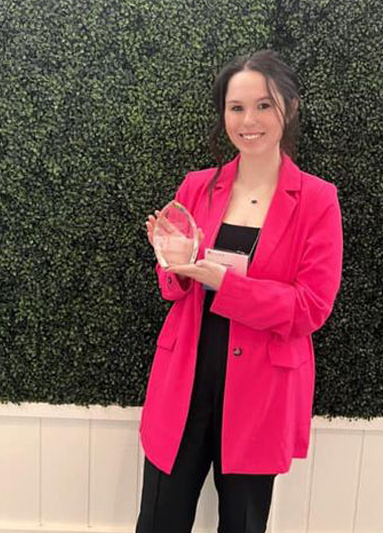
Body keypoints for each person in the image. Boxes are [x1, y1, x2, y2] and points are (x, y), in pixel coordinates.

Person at [136, 49, 343, 533]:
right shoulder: (195, 187)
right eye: (236, 107)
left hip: (261, 391)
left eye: (263, 106)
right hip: (184, 377)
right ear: (223, 113)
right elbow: (174, 289)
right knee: (158, 520)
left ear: (289, 108)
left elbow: (310, 307)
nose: (249, 120)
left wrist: (226, 284)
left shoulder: (316, 199)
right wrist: (172, 260)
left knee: (243, 523)